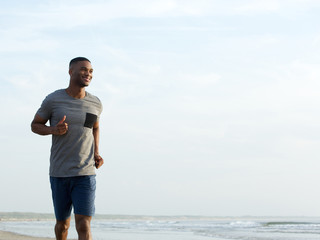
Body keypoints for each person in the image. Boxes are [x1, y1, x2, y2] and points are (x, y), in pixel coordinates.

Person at [31, 57, 104, 240]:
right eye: (84, 69)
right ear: (71, 72)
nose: (88, 73)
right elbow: (35, 125)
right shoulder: (53, 100)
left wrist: (96, 152)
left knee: (83, 224)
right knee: (62, 225)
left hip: (85, 173)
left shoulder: (95, 103)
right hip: (59, 173)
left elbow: (94, 127)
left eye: (91, 71)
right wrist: (53, 129)